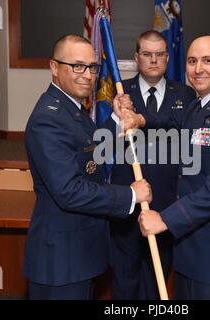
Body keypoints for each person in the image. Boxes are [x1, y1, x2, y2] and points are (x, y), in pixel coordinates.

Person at [117, 36, 210, 299]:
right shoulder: (199, 105)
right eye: (192, 61)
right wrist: (137, 118)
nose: (198, 69)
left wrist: (165, 219)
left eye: (208, 61)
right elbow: (170, 120)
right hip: (190, 247)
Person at [23, 34, 152, 300]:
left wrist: (116, 119)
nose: (88, 75)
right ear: (54, 68)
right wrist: (129, 195)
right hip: (61, 262)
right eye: (77, 66)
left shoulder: (71, 109)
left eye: (92, 67)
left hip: (78, 254)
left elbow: (91, 153)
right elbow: (69, 190)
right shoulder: (48, 119)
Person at [105, 30, 195, 299]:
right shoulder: (121, 93)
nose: (153, 60)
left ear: (168, 58)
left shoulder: (186, 94)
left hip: (167, 202)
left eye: (159, 55)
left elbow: (186, 136)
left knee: (157, 276)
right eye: (147, 54)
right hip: (128, 199)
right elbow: (102, 145)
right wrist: (115, 113)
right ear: (136, 57)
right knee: (124, 276)